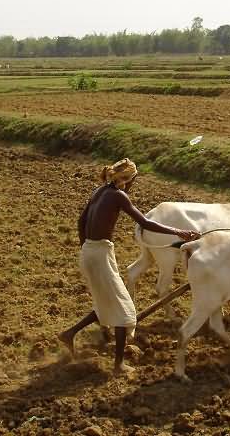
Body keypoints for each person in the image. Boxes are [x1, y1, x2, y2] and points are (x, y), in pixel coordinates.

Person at [59, 158, 200, 375]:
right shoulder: (119, 196)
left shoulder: (100, 191)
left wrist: (87, 247)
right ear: (130, 179)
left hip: (90, 251)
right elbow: (145, 223)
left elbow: (81, 221)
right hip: (100, 254)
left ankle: (69, 334)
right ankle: (118, 365)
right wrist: (179, 232)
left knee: (107, 302)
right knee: (125, 312)